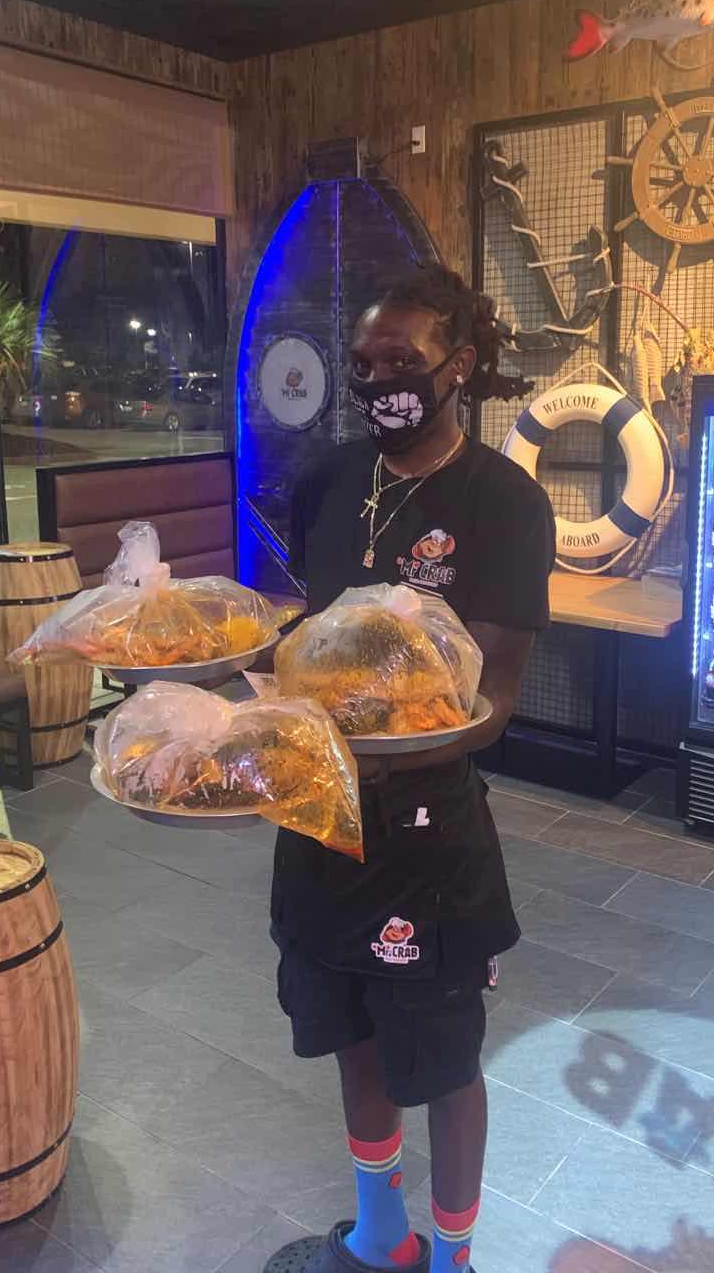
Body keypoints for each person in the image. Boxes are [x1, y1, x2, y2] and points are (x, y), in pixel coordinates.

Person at [265, 265, 555, 1273]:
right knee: (345, 1023)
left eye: (402, 360)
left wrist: (394, 745)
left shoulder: (503, 502)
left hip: (427, 835)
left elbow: (494, 700)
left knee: (442, 1057)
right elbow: (307, 640)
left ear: (458, 365)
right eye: (362, 363)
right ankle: (383, 1237)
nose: (378, 380)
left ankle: (456, 1259)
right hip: (316, 811)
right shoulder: (328, 480)